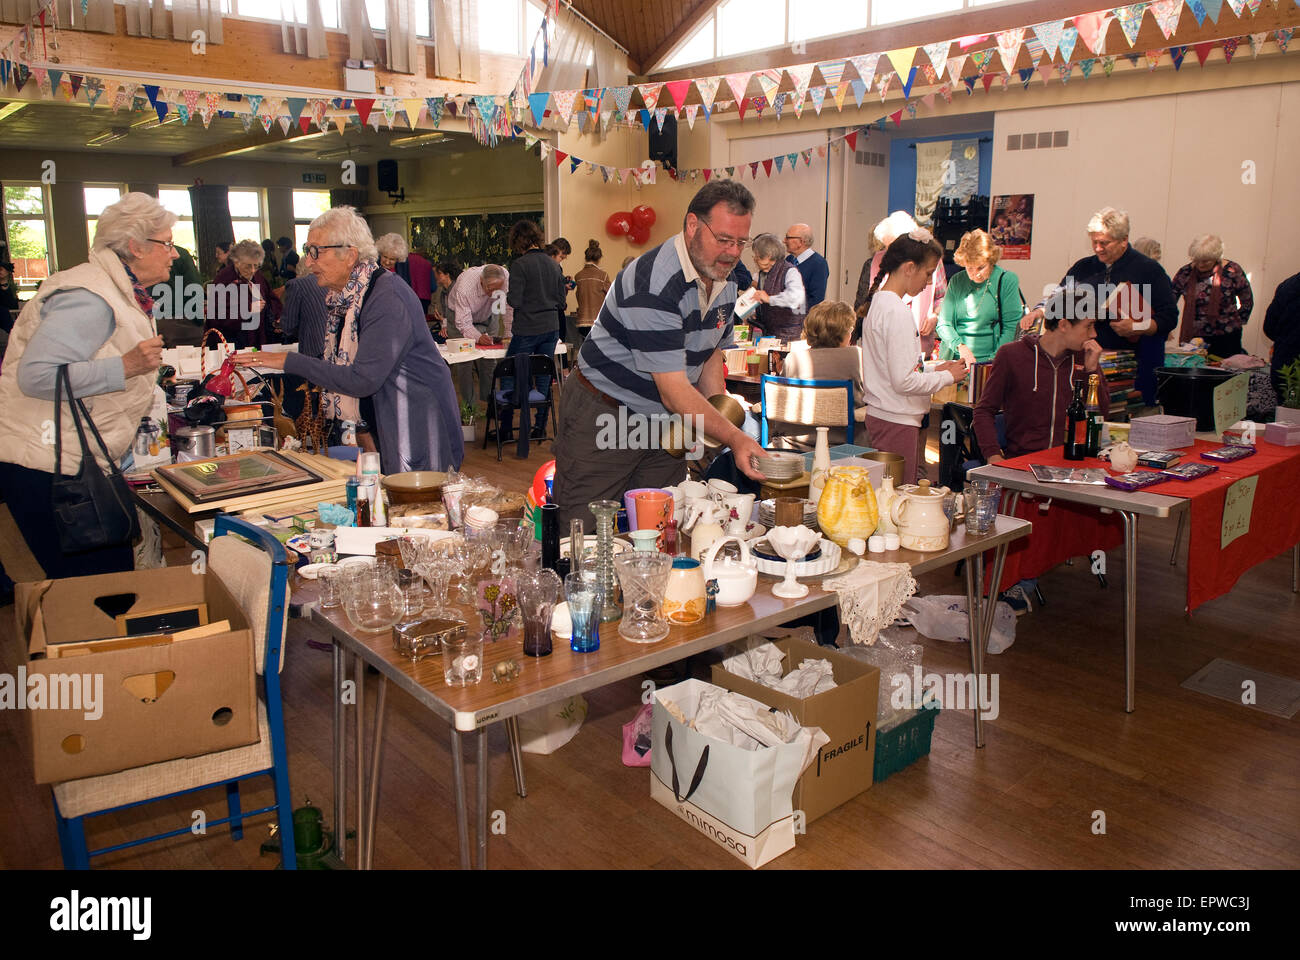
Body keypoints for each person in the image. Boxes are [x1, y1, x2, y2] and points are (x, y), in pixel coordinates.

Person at [553, 180, 770, 530]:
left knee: (661, 529)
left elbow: (710, 351)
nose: (732, 252)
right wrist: (734, 435)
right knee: (582, 530)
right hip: (606, 413)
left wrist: (716, 404)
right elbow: (674, 390)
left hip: (668, 420)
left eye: (741, 242)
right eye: (724, 239)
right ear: (692, 225)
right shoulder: (654, 282)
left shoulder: (727, 279)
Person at [0, 192, 169, 578]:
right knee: (100, 595)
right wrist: (124, 366)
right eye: (167, 244)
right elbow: (37, 376)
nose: (173, 254)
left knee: (99, 590)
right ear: (136, 247)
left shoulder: (113, 290)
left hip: (63, 462)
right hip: (49, 468)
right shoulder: (89, 297)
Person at [233, 207, 463, 473]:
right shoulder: (348, 298)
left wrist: (289, 361)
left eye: (316, 251)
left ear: (350, 254)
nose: (309, 262)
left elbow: (362, 379)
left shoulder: (386, 297)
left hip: (418, 422)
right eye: (308, 251)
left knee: (416, 509)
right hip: (388, 417)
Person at [973, 303, 1110, 614]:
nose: (1094, 335)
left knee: (1107, 508)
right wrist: (994, 456)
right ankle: (1017, 581)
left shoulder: (1082, 360)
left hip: (1070, 465)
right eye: (1088, 326)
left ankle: (1026, 577)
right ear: (1063, 324)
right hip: (1024, 466)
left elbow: (1100, 413)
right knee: (1031, 511)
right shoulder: (1012, 355)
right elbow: (983, 411)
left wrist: (1092, 371)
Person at [1022, 207, 1177, 406]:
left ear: (1124, 240)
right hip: (1088, 359)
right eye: (1094, 242)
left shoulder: (1149, 270)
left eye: (1104, 243)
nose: (1097, 248)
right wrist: (1039, 310)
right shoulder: (1084, 267)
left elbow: (1169, 317)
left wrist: (1136, 327)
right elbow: (1060, 296)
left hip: (1134, 364)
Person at [859, 230, 967, 483]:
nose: (929, 282)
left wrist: (937, 369)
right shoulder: (896, 311)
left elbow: (900, 370)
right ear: (909, 268)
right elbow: (904, 381)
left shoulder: (882, 303)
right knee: (896, 497)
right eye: (928, 273)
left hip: (888, 416)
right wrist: (946, 378)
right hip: (896, 419)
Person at [503, 219, 567, 441]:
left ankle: (506, 427)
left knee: (510, 372)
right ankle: (539, 427)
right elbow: (561, 300)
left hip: (527, 327)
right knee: (543, 375)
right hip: (551, 327)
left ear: (518, 241)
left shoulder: (520, 265)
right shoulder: (553, 265)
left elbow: (515, 300)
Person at [772, 300, 865, 449]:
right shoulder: (857, 356)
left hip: (793, 444)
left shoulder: (793, 358)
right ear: (843, 332)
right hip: (843, 446)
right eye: (850, 329)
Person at [854, 211, 947, 355]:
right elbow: (904, 376)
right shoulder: (894, 310)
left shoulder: (931, 262)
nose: (928, 282)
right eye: (888, 247)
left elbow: (942, 296)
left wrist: (935, 315)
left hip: (919, 347)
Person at [935, 229, 1023, 365]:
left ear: (991, 260)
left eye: (981, 267)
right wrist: (960, 346)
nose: (975, 274)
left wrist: (992, 362)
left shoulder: (1006, 280)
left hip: (993, 361)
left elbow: (1011, 326)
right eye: (969, 268)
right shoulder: (957, 281)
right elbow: (944, 323)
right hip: (957, 361)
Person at [1170, 235, 1253, 357]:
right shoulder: (1185, 273)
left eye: (1206, 261)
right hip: (1195, 338)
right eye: (1197, 260)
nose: (1201, 265)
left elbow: (1247, 300)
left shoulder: (1232, 271)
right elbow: (1170, 300)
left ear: (1217, 257)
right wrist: (1168, 325)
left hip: (1227, 337)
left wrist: (1235, 322)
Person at [209, 239, 281, 349]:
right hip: (233, 343)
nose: (252, 270)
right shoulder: (224, 279)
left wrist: (278, 318)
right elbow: (219, 316)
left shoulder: (258, 276)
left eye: (256, 266)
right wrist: (248, 309)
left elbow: (271, 299)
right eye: (248, 266)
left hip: (257, 339)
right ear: (236, 262)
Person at [749, 232, 806, 341]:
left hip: (788, 337)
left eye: (756, 255)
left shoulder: (790, 271)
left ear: (768, 256)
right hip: (769, 335)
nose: (755, 259)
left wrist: (769, 299)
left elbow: (796, 298)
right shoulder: (762, 273)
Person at [156, 242, 205, 347]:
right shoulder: (181, 254)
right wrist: (199, 320)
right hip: (182, 322)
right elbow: (194, 290)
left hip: (155, 321)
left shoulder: (143, 254)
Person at [1263, 269, 1300, 401]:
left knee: (1284, 417)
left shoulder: (1288, 286)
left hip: (1285, 365)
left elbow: (1269, 327)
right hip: (1289, 364)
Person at [279, 271, 329, 359]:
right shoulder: (332, 281)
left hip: (313, 350)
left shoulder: (296, 284)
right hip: (335, 347)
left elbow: (288, 326)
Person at [573, 239, 611, 346]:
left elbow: (578, 295)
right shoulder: (602, 275)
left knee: (585, 349)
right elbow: (610, 296)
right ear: (599, 259)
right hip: (598, 321)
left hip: (582, 321)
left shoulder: (578, 276)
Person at [784, 223, 828, 309]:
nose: (784, 241)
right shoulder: (789, 259)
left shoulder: (819, 264)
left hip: (802, 319)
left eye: (788, 238)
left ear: (801, 242)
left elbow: (816, 300)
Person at [406, 245, 434, 317]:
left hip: (407, 296)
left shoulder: (405, 260)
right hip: (424, 298)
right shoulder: (427, 264)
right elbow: (433, 286)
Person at [1, 259, 23, 331]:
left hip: (9, 311)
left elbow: (13, 303)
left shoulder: (12, 287)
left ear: (8, 272)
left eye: (1, 269)